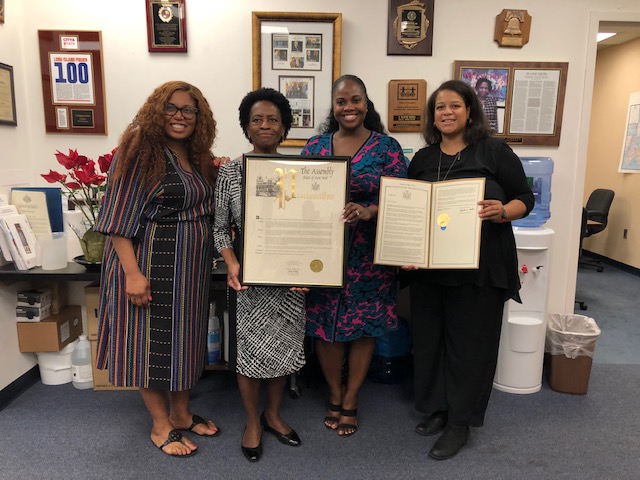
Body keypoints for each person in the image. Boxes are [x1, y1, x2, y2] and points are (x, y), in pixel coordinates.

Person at [404, 80, 534, 460]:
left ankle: (460, 422)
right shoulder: (423, 159)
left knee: (471, 347)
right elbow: (411, 211)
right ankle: (439, 408)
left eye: (455, 105)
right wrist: (406, 247)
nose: (446, 112)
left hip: (481, 269)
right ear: (432, 116)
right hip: (431, 269)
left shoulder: (493, 151)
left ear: (470, 111)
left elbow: (525, 198)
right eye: (439, 107)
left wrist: (502, 211)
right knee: (431, 341)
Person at [95, 81, 221, 458]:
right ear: (156, 111)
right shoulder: (139, 150)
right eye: (171, 108)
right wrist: (133, 275)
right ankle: (160, 425)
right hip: (149, 264)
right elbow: (118, 218)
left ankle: (181, 413)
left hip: (189, 273)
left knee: (184, 342)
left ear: (199, 117)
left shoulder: (195, 154)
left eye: (188, 110)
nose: (180, 116)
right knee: (150, 344)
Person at [301, 74, 408, 436]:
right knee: (326, 327)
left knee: (365, 327)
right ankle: (334, 391)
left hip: (368, 254)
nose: (349, 107)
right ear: (333, 106)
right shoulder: (315, 148)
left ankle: (351, 397)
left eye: (355, 99)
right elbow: (298, 197)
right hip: (323, 252)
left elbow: (402, 196)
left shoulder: (386, 148)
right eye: (341, 101)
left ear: (366, 103)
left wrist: (369, 211)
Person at [213, 87, 307, 462]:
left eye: (272, 119)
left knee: (281, 349)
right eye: (257, 119)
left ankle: (273, 414)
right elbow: (219, 228)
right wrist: (231, 262)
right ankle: (253, 421)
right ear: (246, 127)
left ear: (284, 127)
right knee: (250, 354)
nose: (265, 125)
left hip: (289, 280)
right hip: (249, 280)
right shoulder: (231, 172)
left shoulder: (302, 172)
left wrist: (310, 269)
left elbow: (310, 225)